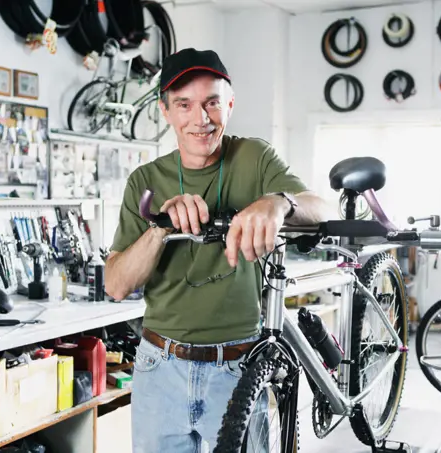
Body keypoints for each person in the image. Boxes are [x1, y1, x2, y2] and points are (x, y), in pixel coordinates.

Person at [105, 48, 333, 452]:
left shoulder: (254, 157)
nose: (201, 118)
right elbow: (117, 284)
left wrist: (279, 201)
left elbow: (320, 209)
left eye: (212, 102)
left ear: (229, 103)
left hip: (239, 368)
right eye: (184, 105)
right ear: (165, 111)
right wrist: (159, 228)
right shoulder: (146, 179)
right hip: (161, 369)